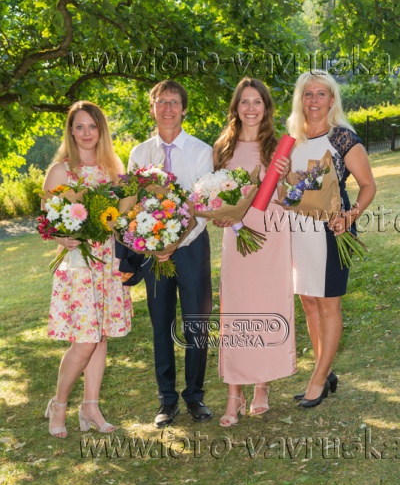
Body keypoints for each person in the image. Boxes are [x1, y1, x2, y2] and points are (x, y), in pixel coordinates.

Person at [43, 101, 132, 437]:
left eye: (92, 126)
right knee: (84, 341)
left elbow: (122, 218)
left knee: (101, 335)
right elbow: (46, 221)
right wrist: (61, 236)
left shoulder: (113, 169)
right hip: (79, 266)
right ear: (70, 131)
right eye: (79, 126)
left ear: (101, 130)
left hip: (107, 263)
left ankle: (90, 406)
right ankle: (59, 404)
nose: (86, 133)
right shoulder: (61, 171)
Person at [287, 70, 376, 408]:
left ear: (332, 99)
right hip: (298, 230)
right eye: (308, 94)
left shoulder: (342, 138)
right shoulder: (292, 139)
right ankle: (324, 371)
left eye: (321, 94)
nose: (314, 100)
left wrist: (348, 217)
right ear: (300, 99)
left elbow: (368, 185)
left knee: (328, 303)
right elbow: (289, 186)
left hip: (331, 231)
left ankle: (318, 379)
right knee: (309, 301)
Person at [127, 80, 213, 428]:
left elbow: (203, 206)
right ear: (152, 108)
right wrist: (152, 245)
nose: (167, 108)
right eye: (161, 102)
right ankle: (167, 400)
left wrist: (175, 242)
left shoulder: (201, 151)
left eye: (174, 102)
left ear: (184, 109)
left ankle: (195, 396)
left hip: (191, 248)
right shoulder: (138, 154)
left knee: (196, 322)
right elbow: (131, 207)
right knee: (161, 324)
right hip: (153, 254)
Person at [213, 77, 296, 427]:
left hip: (272, 234)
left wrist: (288, 177)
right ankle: (234, 395)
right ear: (236, 107)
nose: (251, 108)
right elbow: (213, 196)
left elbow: (290, 198)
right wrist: (219, 215)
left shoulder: (278, 146)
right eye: (244, 102)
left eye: (257, 102)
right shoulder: (223, 148)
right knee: (236, 311)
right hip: (237, 235)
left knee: (268, 305)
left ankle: (262, 385)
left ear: (266, 107)